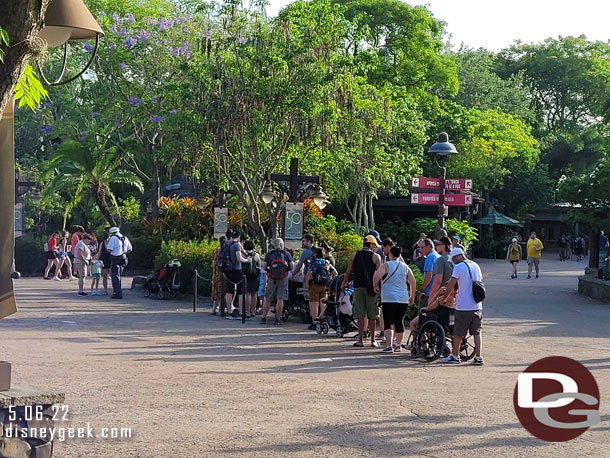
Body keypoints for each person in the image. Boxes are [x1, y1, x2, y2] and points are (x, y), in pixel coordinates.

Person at [441, 248, 484, 365]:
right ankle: (478, 357)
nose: (453, 261)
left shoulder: (459, 267)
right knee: (477, 332)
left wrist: (444, 298)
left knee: (458, 332)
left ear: (457, 256)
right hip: (477, 305)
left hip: (464, 306)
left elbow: (451, 284)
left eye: (453, 259)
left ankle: (455, 356)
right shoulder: (476, 265)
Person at [372, 246, 416, 353]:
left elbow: (376, 276)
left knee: (388, 321)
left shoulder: (387, 265)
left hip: (388, 297)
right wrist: (412, 297)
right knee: (399, 321)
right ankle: (398, 345)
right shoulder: (405, 267)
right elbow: (413, 282)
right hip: (402, 298)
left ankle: (389, 345)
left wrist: (375, 286)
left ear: (390, 254)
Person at [342, 235, 382, 347]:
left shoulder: (354, 255)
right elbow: (379, 275)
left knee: (360, 315)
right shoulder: (376, 257)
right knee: (372, 315)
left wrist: (343, 283)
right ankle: (373, 340)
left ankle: (360, 339)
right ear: (371, 244)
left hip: (358, 287)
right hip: (372, 289)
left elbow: (348, 272)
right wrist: (378, 287)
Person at [261, 238, 293, 325]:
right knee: (280, 298)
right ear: (282, 245)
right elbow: (291, 267)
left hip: (272, 277)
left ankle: (264, 317)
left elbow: (263, 267)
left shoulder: (269, 254)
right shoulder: (286, 254)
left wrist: (270, 269)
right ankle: (277, 319)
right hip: (283, 278)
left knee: (268, 298)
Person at [222, 229, 249, 317]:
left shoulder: (226, 244)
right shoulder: (237, 245)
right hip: (237, 269)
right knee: (241, 291)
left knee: (229, 290)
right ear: (239, 236)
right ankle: (241, 311)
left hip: (228, 270)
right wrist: (247, 260)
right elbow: (239, 258)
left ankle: (229, 310)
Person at [291, 234, 316, 328]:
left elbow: (299, 265)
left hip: (309, 277)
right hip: (320, 278)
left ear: (309, 241)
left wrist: (293, 273)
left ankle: (312, 318)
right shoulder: (318, 250)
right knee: (318, 299)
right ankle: (320, 318)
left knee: (310, 299)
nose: (303, 243)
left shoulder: (306, 252)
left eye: (304, 241)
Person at [305, 247, 330, 327]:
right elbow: (334, 272)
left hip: (314, 284)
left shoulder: (313, 262)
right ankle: (322, 318)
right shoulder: (326, 262)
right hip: (324, 284)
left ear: (315, 254)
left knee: (314, 303)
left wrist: (307, 283)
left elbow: (309, 273)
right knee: (322, 302)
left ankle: (314, 321)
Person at [107, 226, 133, 299]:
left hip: (115, 258)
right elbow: (130, 249)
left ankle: (117, 292)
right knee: (119, 275)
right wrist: (124, 253)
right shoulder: (125, 238)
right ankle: (119, 291)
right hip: (123, 258)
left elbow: (109, 249)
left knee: (115, 276)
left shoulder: (113, 238)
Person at [418, 238, 440, 310]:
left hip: (428, 293)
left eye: (422, 247)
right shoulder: (437, 256)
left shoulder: (430, 257)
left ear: (429, 246)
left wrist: (422, 290)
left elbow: (428, 276)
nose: (421, 250)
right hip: (436, 292)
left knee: (423, 314)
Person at [242, 240, 261, 318]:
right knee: (254, 293)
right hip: (255, 276)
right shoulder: (256, 255)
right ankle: (253, 311)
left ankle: (248, 311)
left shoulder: (243, 255)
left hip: (246, 276)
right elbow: (259, 265)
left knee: (248, 293)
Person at [211, 236, 226, 315]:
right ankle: (221, 310)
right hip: (223, 273)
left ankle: (214, 309)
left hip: (215, 273)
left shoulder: (215, 250)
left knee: (215, 291)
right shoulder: (225, 250)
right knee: (222, 292)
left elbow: (213, 262)